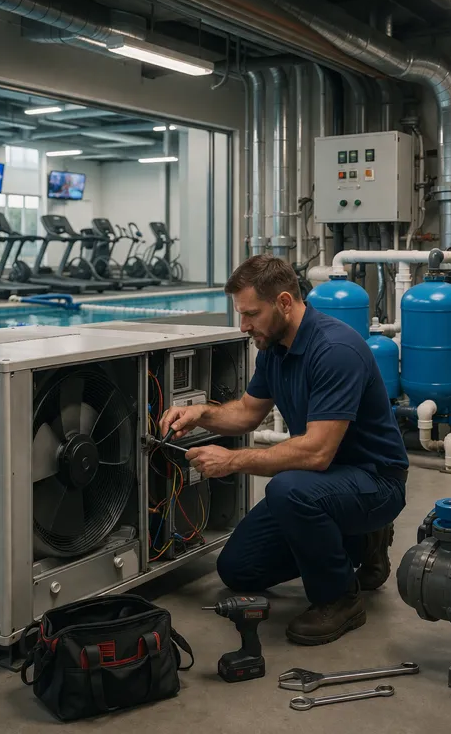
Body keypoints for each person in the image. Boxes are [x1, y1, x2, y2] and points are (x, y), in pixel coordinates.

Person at [160, 254, 408, 646]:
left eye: (251, 314)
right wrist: (200, 414)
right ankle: (360, 541)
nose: (244, 327)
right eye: (241, 315)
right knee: (238, 570)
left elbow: (315, 454)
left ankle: (340, 599)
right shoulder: (274, 349)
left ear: (284, 303)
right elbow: (247, 413)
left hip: (374, 482)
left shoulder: (334, 350)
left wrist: (232, 461)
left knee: (287, 489)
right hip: (323, 483)